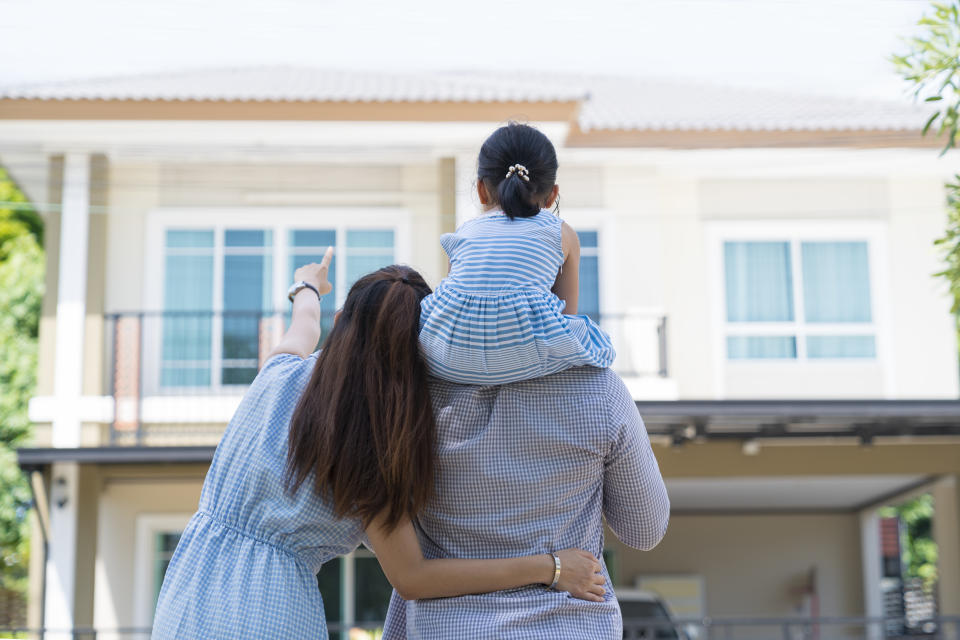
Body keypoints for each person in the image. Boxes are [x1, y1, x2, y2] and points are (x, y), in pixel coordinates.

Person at [151, 250, 606, 640]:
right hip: (274, 609)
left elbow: (304, 325)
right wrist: (552, 568)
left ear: (340, 324)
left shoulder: (278, 374)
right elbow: (413, 577)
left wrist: (306, 285)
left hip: (187, 593)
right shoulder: (369, 442)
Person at [418, 122, 616, 385]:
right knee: (593, 337)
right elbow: (567, 316)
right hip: (526, 354)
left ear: (480, 189)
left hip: (447, 358)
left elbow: (456, 300)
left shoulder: (464, 233)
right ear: (552, 195)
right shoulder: (562, 234)